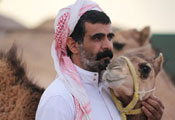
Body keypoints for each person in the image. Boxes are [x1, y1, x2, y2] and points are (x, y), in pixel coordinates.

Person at [36, 0, 164, 120]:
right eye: (97, 38)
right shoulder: (59, 99)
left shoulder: (113, 91)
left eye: (109, 37)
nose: (108, 45)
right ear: (73, 45)